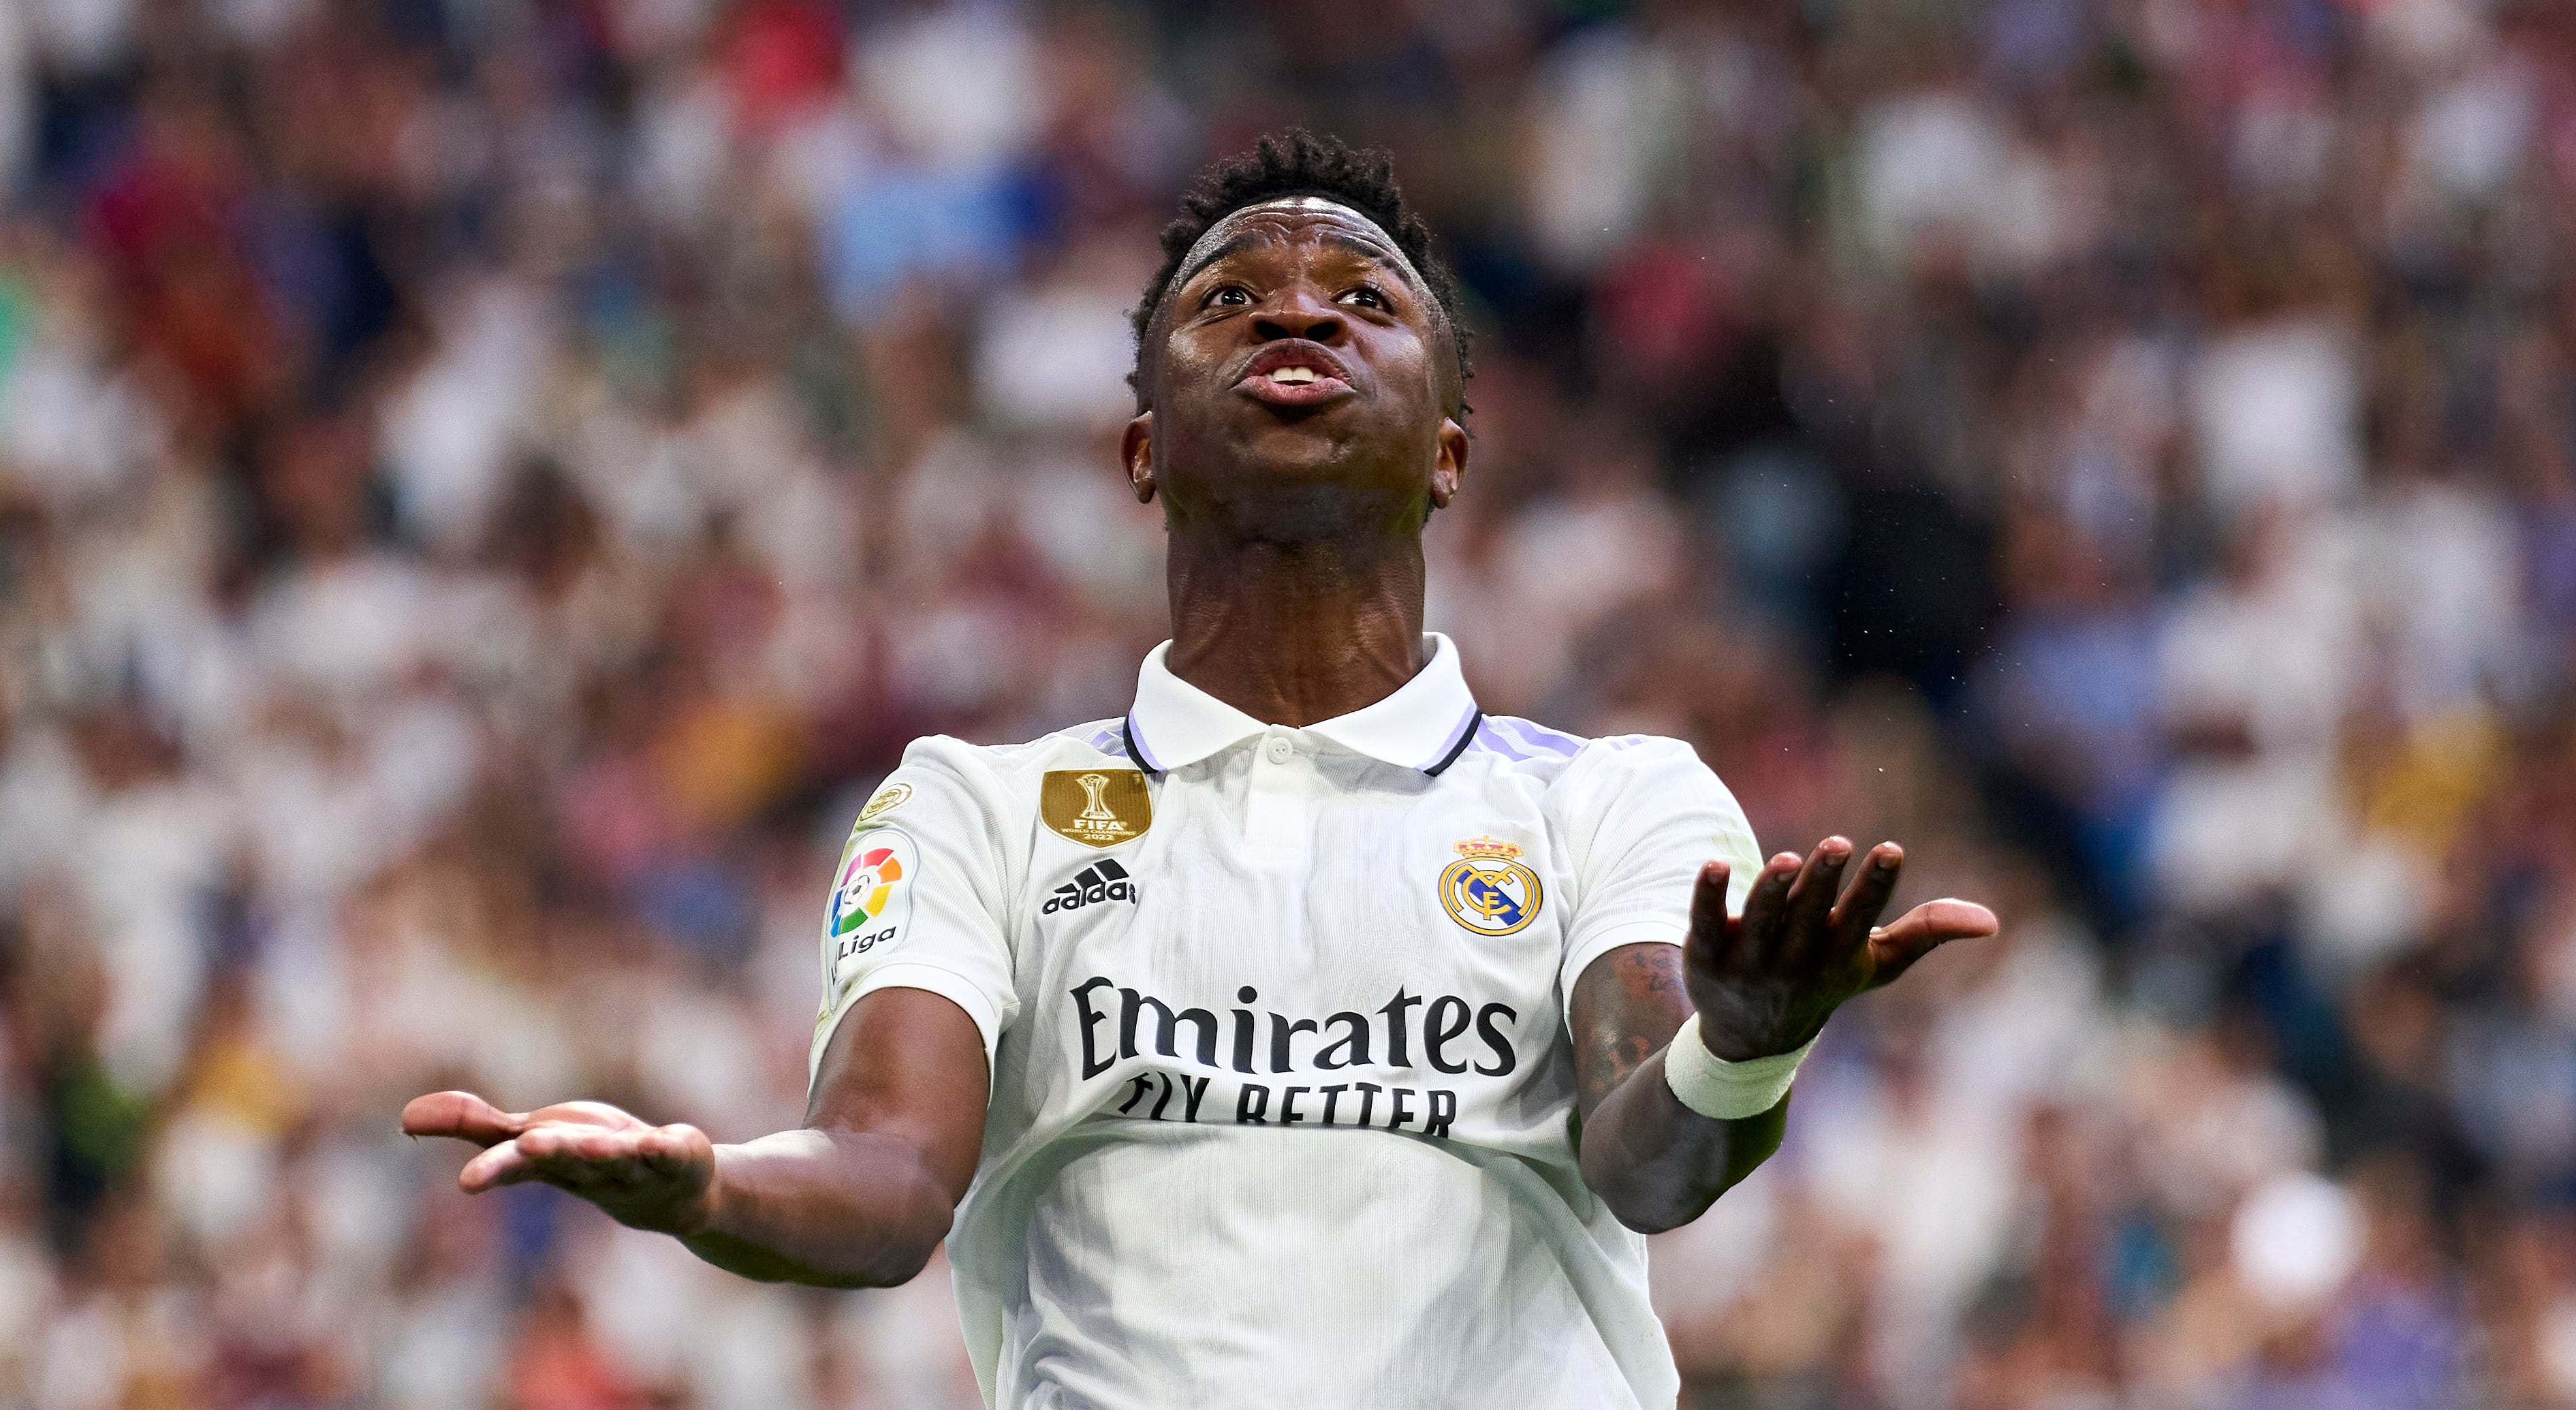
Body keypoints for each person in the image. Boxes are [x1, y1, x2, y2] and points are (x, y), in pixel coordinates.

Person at [403, 130, 2000, 1407]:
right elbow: (889, 1176)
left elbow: (1649, 1160)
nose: (1300, 312)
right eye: (1231, 298)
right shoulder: (971, 808)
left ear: (1449, 446)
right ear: (1144, 446)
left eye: (1365, 302)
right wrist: (711, 1187)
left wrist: (1740, 1051)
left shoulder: (1611, 801)